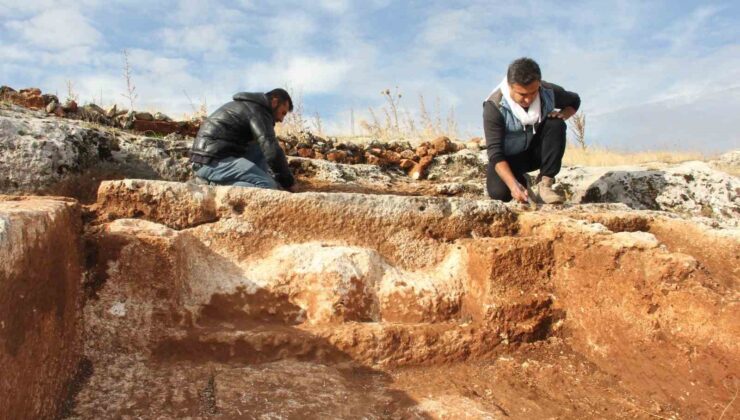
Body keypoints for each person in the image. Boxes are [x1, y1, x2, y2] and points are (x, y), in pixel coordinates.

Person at [483, 57, 580, 204]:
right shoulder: (494, 106)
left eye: (533, 92)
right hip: (509, 159)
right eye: (522, 94)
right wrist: (512, 185)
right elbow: (495, 154)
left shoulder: (548, 91)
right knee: (499, 193)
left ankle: (545, 185)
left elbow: (575, 101)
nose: (528, 100)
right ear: (510, 86)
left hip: (536, 154)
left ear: (539, 84)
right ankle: (522, 181)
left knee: (555, 124)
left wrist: (562, 115)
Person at [189, 88, 296, 190]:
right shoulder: (258, 110)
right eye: (283, 113)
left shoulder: (250, 106)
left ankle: (265, 179)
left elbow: (265, 148)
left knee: (259, 148)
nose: (281, 119)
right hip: (211, 161)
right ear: (274, 101)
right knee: (267, 186)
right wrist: (288, 182)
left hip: (211, 157)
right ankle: (211, 185)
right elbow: (271, 149)